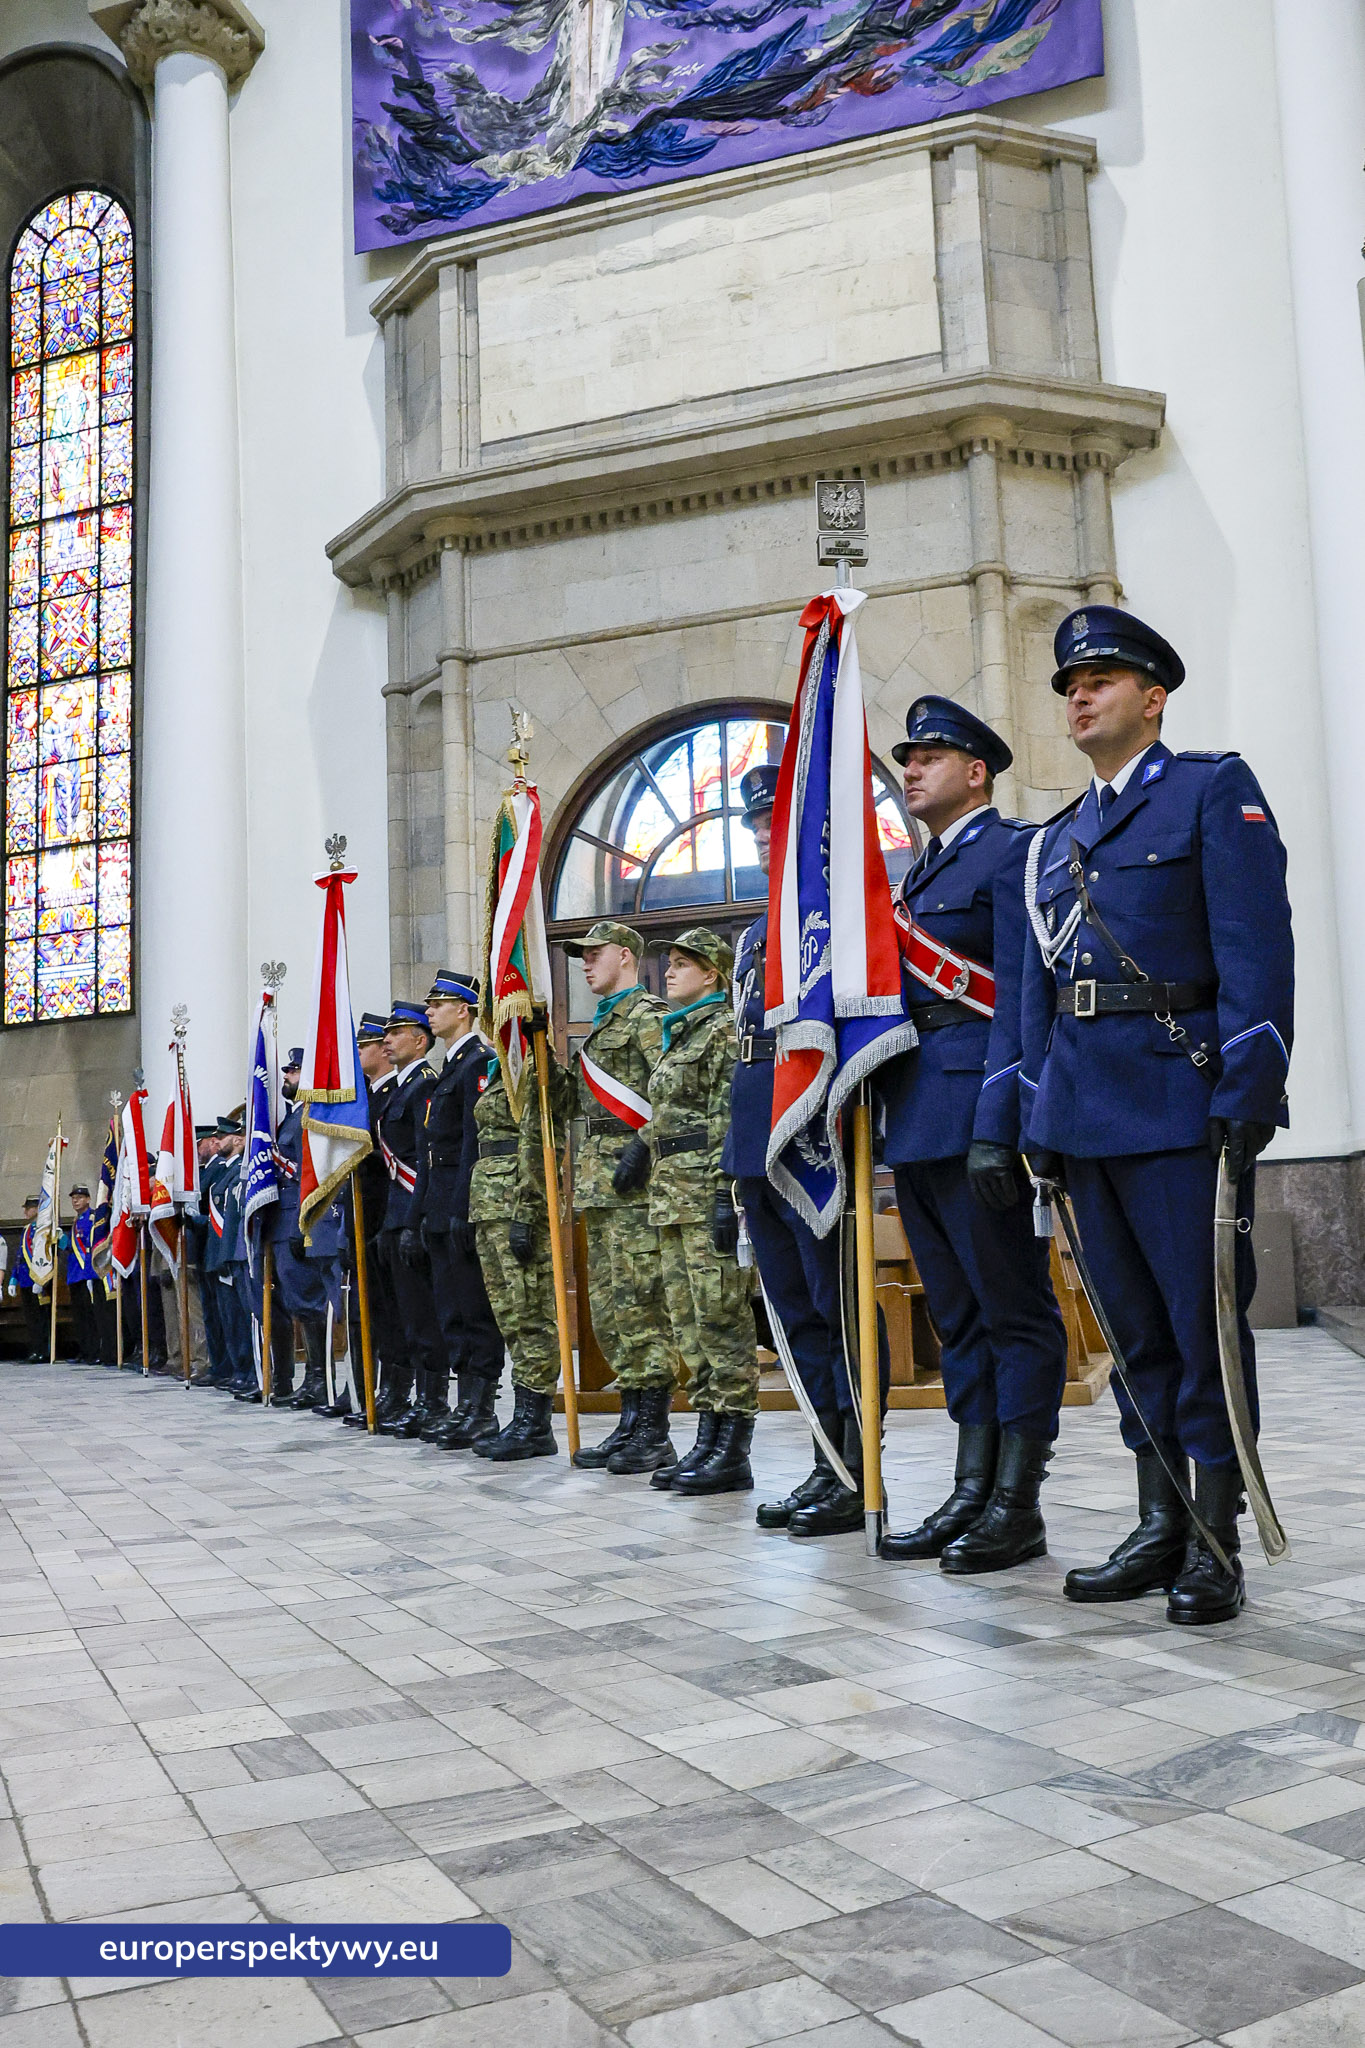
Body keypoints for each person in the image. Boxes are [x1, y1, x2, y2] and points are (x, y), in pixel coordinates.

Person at [1021, 606, 1294, 1626]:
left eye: (1098, 680)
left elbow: (1257, 946)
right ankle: (1159, 1519)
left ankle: (1215, 1535)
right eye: (1069, 685)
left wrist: (1248, 1090)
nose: (1079, 696)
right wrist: (1038, 1117)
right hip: (1083, 1113)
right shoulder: (1055, 837)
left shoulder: (1209, 789)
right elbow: (1043, 997)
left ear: (1153, 697)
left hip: (1181, 1107)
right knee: (1133, 1338)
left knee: (1201, 1328)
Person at [875, 697, 1068, 1572]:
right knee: (957, 1319)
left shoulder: (1013, 850)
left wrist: (1001, 1123)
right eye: (906, 760)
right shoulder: (914, 876)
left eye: (927, 757)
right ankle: (970, 1490)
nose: (910, 771)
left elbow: (1022, 1000)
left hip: (978, 1119)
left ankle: (1016, 1504)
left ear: (976, 771)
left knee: (1012, 1311)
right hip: (916, 1119)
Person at [643, 927, 758, 1495]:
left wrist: (723, 1194)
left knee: (721, 1319)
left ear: (712, 972)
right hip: (671, 1195)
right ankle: (707, 1437)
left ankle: (733, 1448)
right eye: (668, 962)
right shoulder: (679, 1031)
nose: (668, 972)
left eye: (682, 964)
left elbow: (726, 1118)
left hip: (704, 1192)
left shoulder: (721, 1030)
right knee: (689, 1326)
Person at [566, 921, 677, 1476]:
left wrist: (644, 1145)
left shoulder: (648, 1016)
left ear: (626, 957)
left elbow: (674, 1091)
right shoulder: (602, 1024)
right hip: (600, 1185)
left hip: (636, 1185)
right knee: (612, 1311)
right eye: (581, 956)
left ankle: (654, 1431)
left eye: (595, 954)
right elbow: (573, 1104)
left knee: (642, 1305)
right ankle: (631, 1420)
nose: (586, 964)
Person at [409, 971, 506, 1449]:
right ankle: (465, 1403)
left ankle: (481, 1409)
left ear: (463, 1009)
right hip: (438, 1204)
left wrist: (464, 1208)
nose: (429, 1012)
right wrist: (420, 1215)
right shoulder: (449, 1065)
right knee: (450, 1309)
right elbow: (430, 1149)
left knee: (473, 1308)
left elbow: (473, 1140)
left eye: (438, 1004)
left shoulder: (477, 1063)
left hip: (460, 1203)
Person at [470, 1038, 571, 1461]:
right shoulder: (500, 1068)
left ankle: (536, 1422)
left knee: (531, 1313)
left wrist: (528, 1209)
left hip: (516, 1202)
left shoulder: (534, 1068)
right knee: (510, 1316)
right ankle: (523, 1415)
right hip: (488, 1203)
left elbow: (542, 1138)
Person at [372, 1002, 443, 1435]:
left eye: (396, 1033)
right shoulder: (400, 1088)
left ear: (420, 1041)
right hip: (393, 1215)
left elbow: (423, 1157)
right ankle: (407, 1394)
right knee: (400, 1313)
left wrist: (413, 1221)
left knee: (422, 1314)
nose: (387, 1041)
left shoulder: (424, 1085)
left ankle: (432, 1400)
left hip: (411, 1213)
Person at [265, 1049, 345, 1411]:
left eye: (294, 1070)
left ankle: (321, 1378)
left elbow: (308, 1174)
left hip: (300, 1220)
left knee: (312, 1302)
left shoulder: (310, 1115)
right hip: (284, 1221)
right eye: (287, 1069)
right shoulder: (292, 1117)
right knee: (300, 1302)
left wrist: (302, 1221)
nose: (287, 1075)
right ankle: (314, 1377)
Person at [330, 1011, 397, 1423]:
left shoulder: (394, 1095)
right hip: (362, 1218)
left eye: (362, 1046)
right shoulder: (366, 1100)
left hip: (384, 1216)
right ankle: (364, 1389)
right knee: (363, 1309)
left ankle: (389, 1390)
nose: (355, 1054)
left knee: (389, 1311)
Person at [64, 1184, 103, 1363]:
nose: (76, 1201)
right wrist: (60, 1240)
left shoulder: (92, 1218)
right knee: (79, 1316)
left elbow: (92, 1247)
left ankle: (94, 1351)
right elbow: (70, 1247)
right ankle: (84, 1350)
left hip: (86, 1273)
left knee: (90, 1315)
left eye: (79, 1197)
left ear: (88, 1199)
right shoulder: (76, 1220)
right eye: (73, 1198)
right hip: (74, 1274)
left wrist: (89, 1273)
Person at [6, 1197, 47, 1361]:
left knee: (40, 1318)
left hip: (38, 1280)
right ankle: (34, 1350)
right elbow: (19, 1257)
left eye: (28, 1208)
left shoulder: (44, 1229)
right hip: (25, 1280)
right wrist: (13, 1279)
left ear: (37, 1209)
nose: (25, 1211)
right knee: (30, 1318)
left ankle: (43, 1351)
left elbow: (47, 1256)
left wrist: (41, 1279)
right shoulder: (27, 1230)